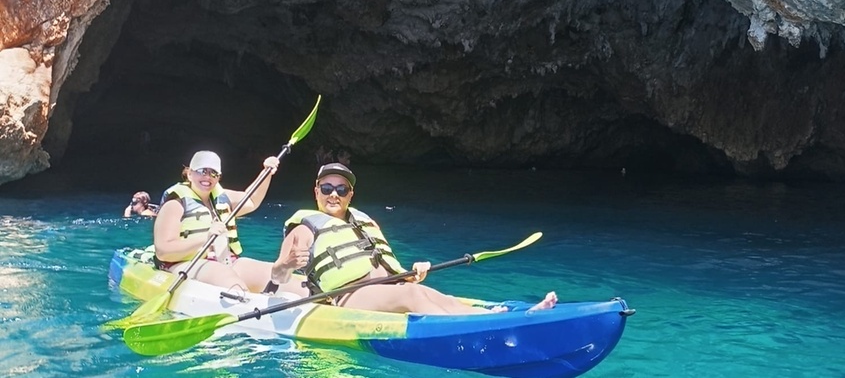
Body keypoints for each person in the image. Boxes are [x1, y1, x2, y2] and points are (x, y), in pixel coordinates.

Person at [270, 162, 558, 314]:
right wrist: (285, 265)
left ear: (351, 195)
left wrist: (410, 273)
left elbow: (381, 265)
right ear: (316, 191)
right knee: (412, 295)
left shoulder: (362, 221)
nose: (334, 194)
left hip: (385, 289)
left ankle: (502, 317)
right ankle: (497, 325)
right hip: (345, 298)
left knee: (435, 294)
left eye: (342, 190)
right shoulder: (304, 227)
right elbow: (279, 275)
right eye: (328, 187)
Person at [152, 150, 305, 296]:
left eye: (213, 173)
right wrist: (204, 239)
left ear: (218, 177)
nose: (207, 177)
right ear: (190, 174)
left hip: (225, 261)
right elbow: (163, 251)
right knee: (227, 278)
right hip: (185, 263)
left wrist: (266, 173)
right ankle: (244, 302)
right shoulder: (175, 204)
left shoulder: (223, 198)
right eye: (202, 171)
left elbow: (251, 200)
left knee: (281, 278)